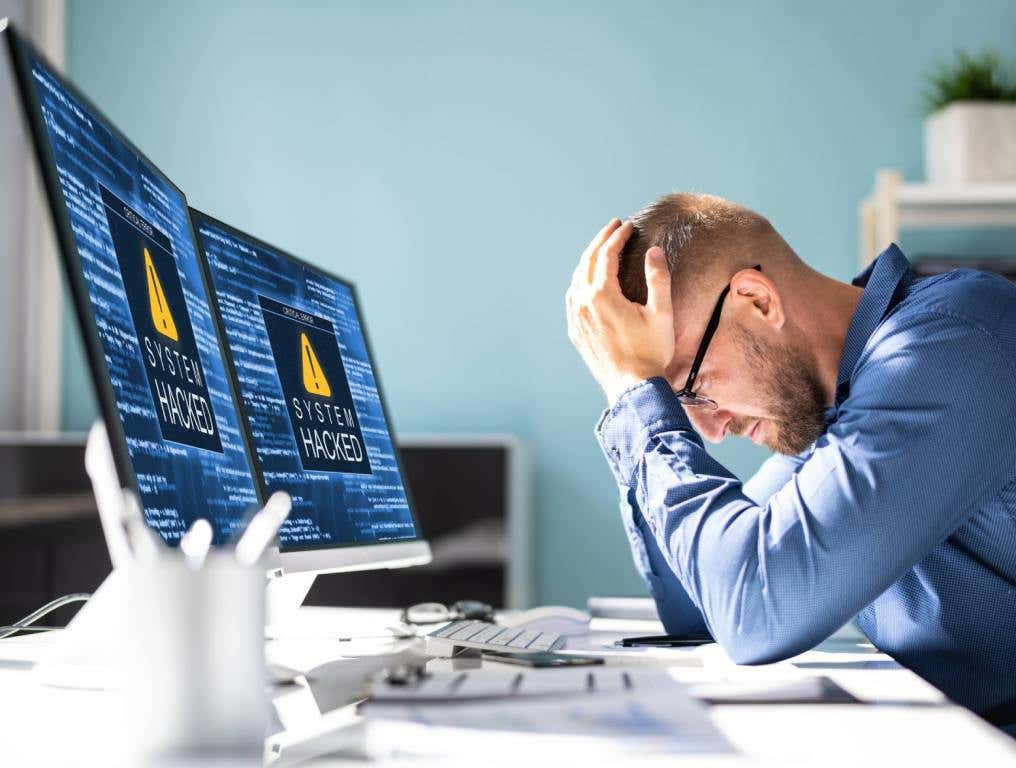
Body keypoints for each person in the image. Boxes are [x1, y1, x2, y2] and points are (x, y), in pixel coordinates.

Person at [565, 193, 1016, 734]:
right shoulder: (830, 408)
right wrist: (633, 397)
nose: (707, 430)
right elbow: (696, 606)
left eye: (693, 385)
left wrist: (637, 395)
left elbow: (755, 609)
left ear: (756, 300)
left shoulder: (948, 344)